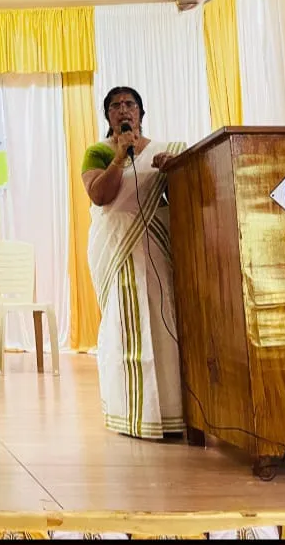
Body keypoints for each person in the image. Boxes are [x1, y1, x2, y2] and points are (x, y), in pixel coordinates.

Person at [81, 86, 185, 439]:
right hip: (117, 249)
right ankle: (131, 412)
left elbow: (180, 199)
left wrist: (173, 172)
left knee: (162, 321)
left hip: (155, 246)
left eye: (130, 104)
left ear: (141, 111)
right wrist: (120, 157)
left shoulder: (164, 151)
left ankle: (170, 410)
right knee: (126, 325)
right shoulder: (97, 152)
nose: (123, 110)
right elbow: (100, 195)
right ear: (108, 115)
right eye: (115, 106)